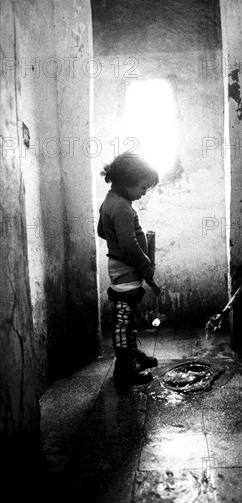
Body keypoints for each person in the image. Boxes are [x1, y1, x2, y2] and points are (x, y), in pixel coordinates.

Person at [97, 152, 161, 385]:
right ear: (127, 181)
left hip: (123, 270)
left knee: (128, 317)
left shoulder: (110, 201)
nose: (144, 193)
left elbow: (102, 231)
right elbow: (129, 245)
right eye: (143, 187)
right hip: (126, 271)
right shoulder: (122, 207)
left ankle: (131, 355)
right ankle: (124, 367)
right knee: (123, 320)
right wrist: (146, 268)